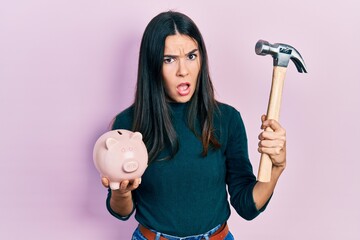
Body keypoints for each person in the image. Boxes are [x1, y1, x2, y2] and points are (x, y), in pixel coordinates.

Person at [101, 11, 286, 240]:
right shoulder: (127, 125)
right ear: (152, 65)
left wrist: (277, 168)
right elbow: (122, 211)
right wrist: (121, 192)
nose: (183, 71)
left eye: (191, 56)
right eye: (168, 59)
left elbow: (247, 206)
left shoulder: (226, 119)